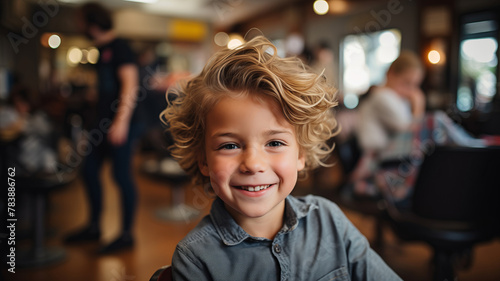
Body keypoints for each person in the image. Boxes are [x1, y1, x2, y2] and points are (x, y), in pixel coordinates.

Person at [161, 36, 402, 280]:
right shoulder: (195, 260)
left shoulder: (329, 221)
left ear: (301, 154)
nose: (253, 164)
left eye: (275, 143)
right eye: (230, 145)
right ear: (203, 160)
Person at [64, 2, 143, 254]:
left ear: (92, 22)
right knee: (88, 172)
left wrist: (120, 122)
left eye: (80, 21)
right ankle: (94, 226)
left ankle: (127, 235)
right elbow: (111, 87)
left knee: (121, 177)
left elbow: (130, 85)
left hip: (120, 125)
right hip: (101, 124)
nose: (78, 25)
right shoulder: (101, 50)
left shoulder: (120, 47)